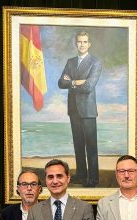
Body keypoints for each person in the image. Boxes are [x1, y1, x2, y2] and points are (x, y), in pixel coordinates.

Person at [58, 31, 103, 187]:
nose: (82, 44)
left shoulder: (95, 62)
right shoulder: (70, 62)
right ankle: (82, 175)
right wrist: (77, 82)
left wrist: (71, 82)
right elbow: (60, 83)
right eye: (79, 42)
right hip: (73, 110)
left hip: (88, 111)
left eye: (85, 42)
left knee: (91, 146)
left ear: (89, 44)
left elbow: (89, 86)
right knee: (78, 145)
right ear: (75, 43)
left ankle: (93, 178)